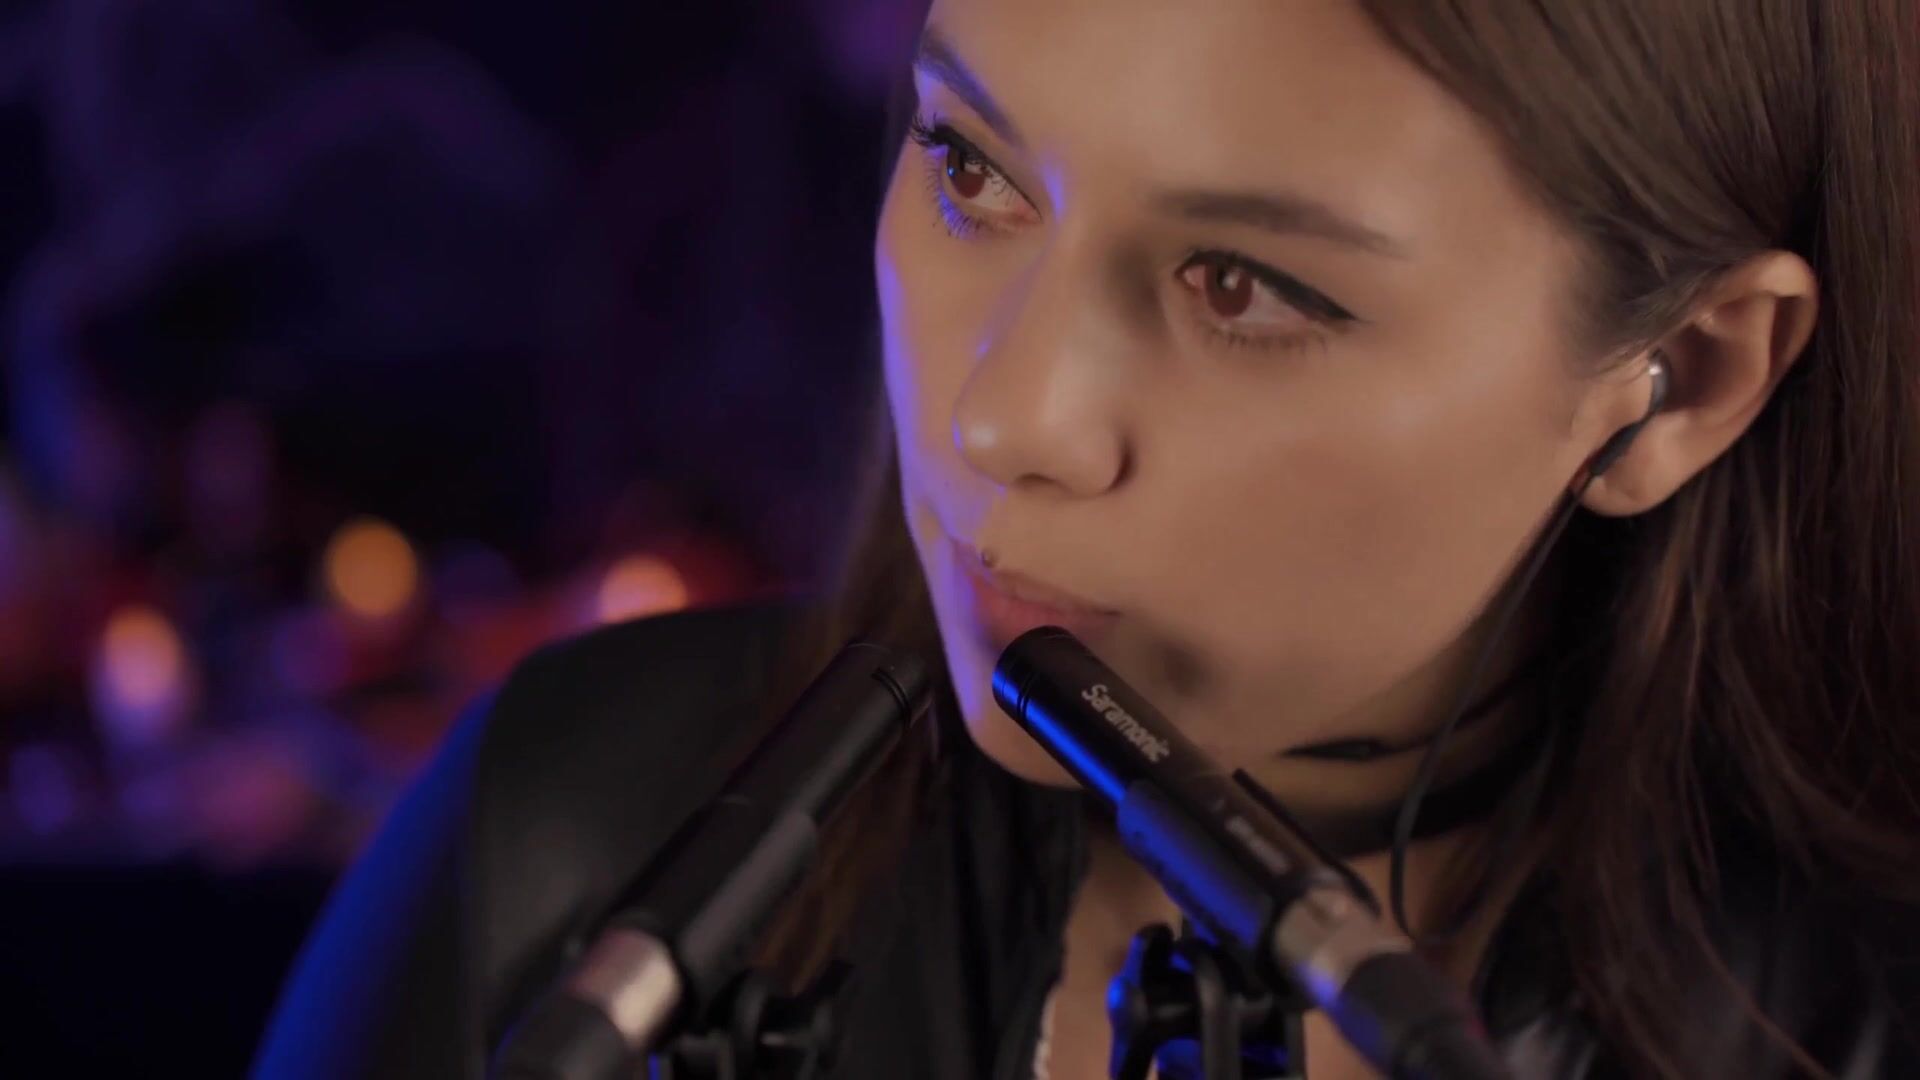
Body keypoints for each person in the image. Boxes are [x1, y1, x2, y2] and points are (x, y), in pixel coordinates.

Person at [255, 1, 1920, 1076]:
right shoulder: (569, 837)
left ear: (1686, 381)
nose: (1004, 419)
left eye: (1242, 287)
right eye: (969, 170)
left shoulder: (1864, 1012)